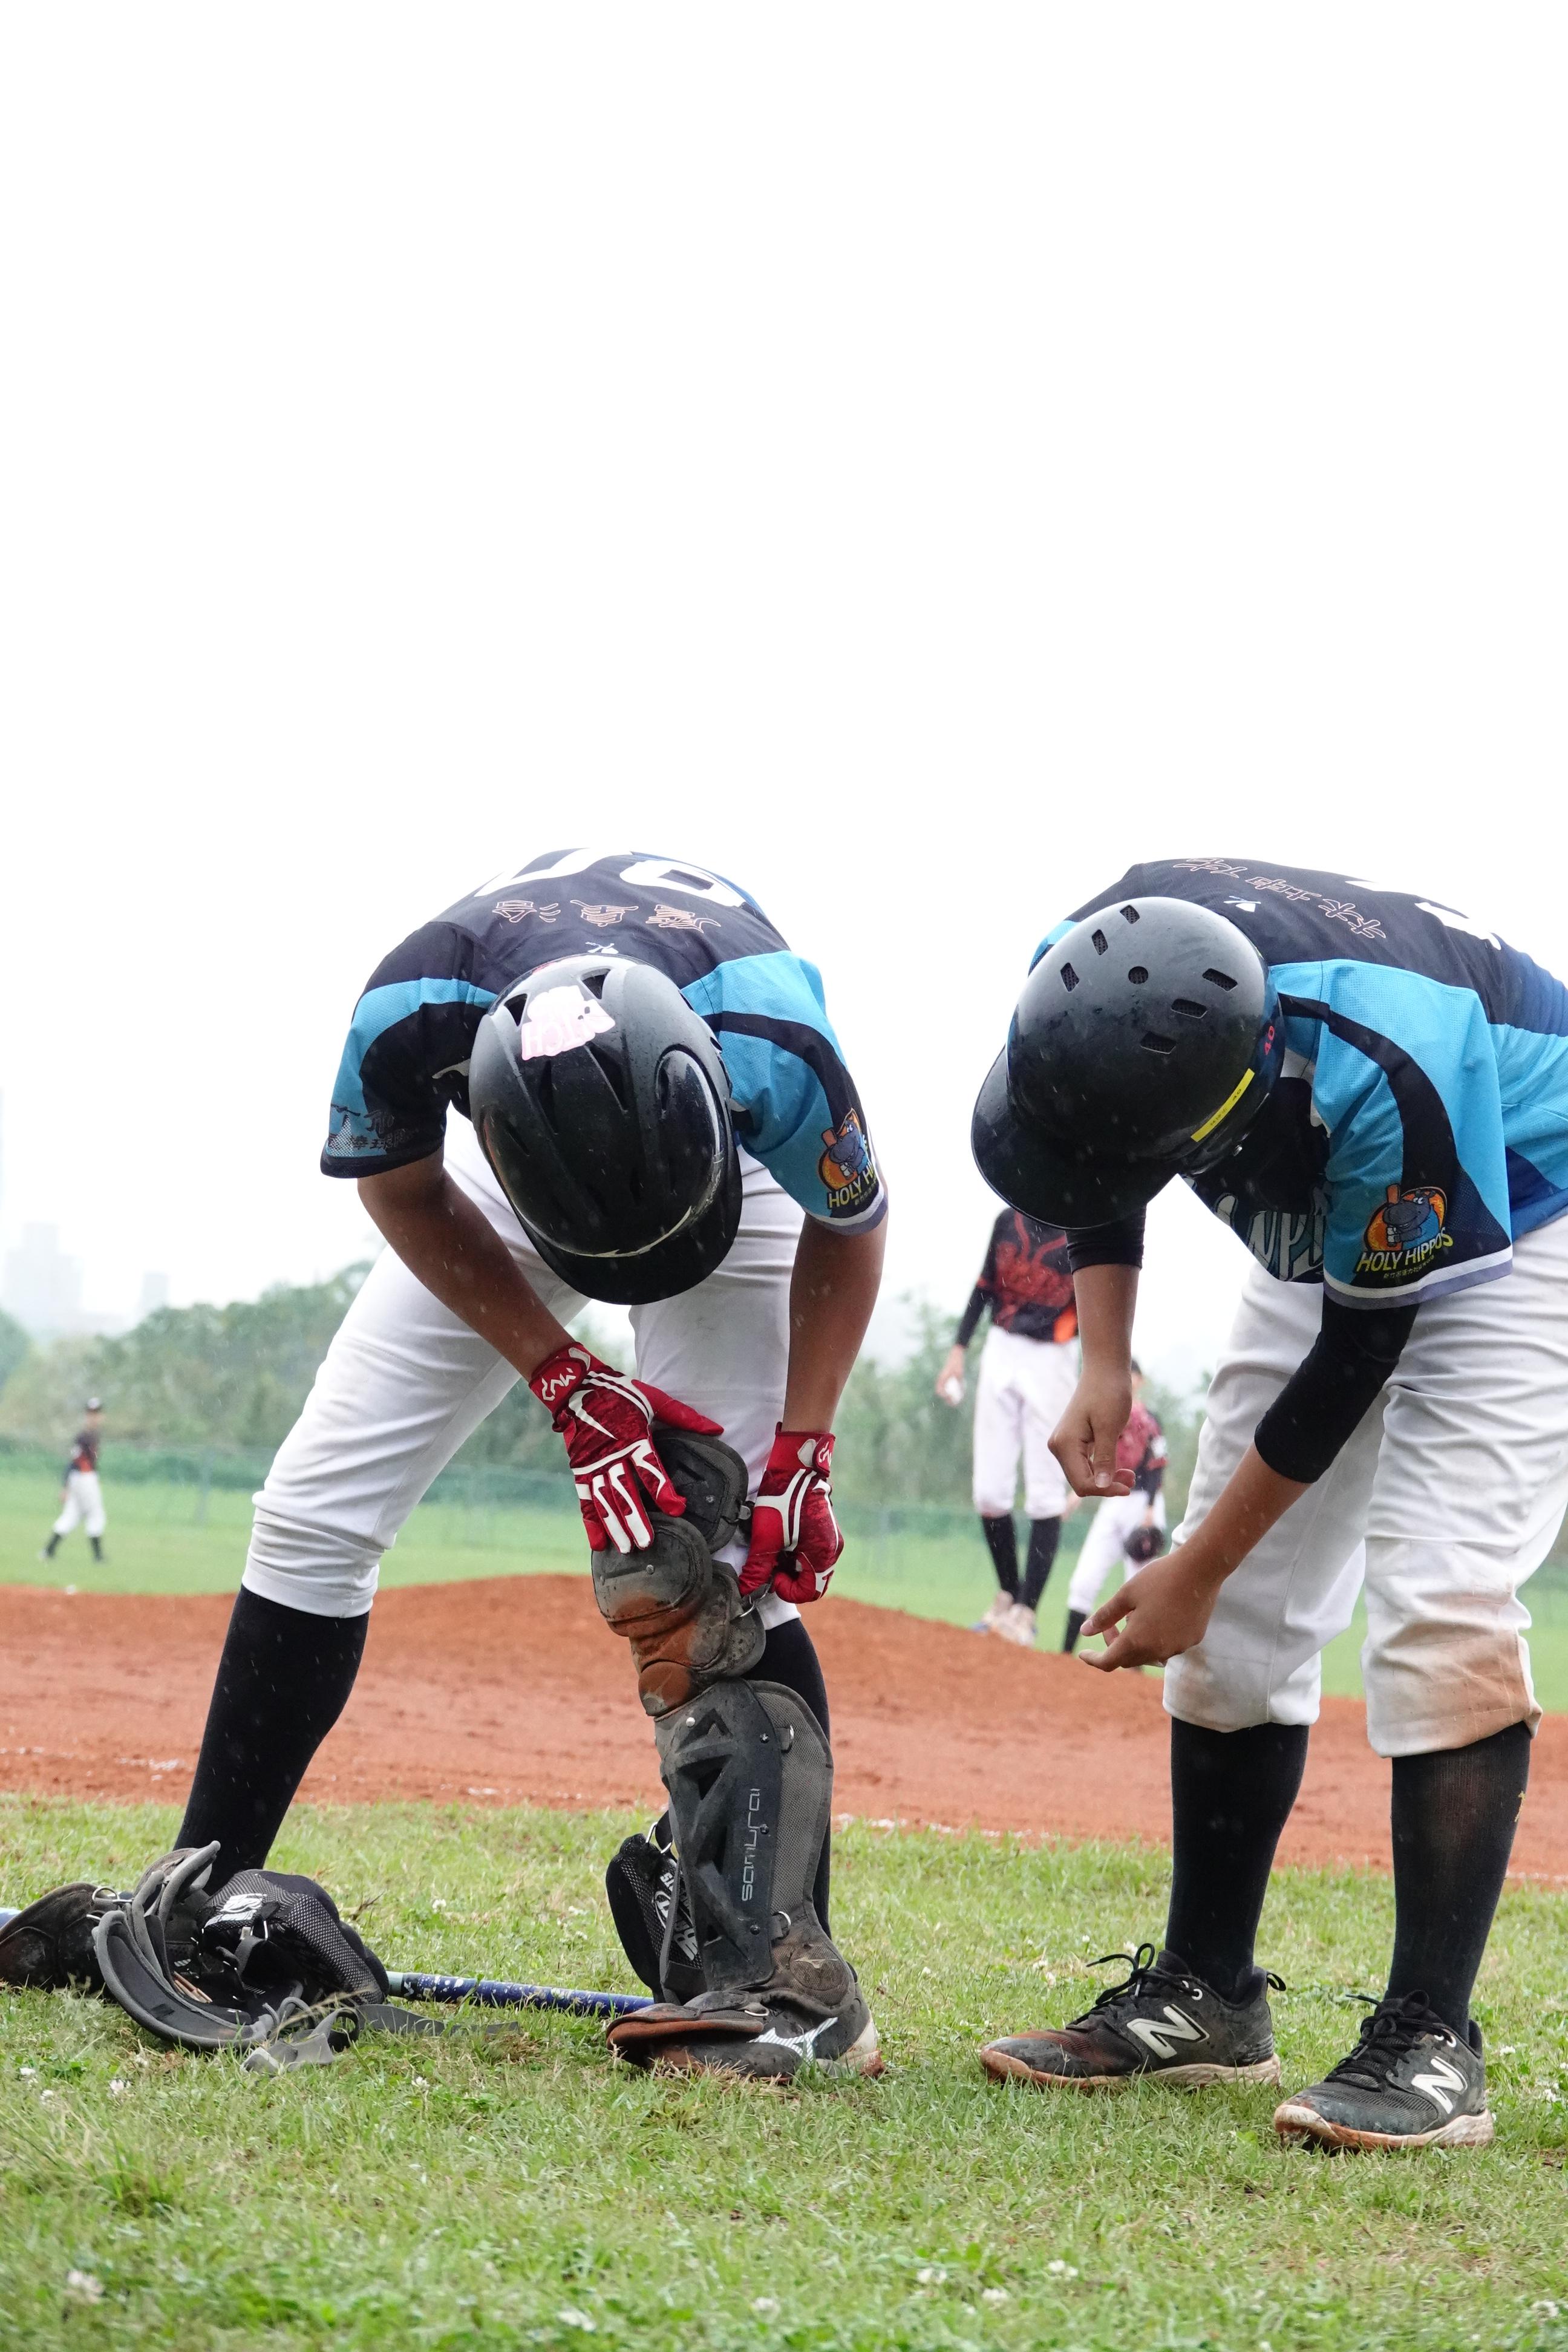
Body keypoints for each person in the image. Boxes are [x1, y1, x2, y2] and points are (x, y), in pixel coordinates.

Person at [171, 847, 888, 2080]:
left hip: (733, 1168)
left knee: (717, 1554)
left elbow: (850, 1221)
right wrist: (563, 1377)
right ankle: (204, 1899)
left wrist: (803, 1447)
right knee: (312, 1515)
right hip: (524, 1168)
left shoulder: (775, 1046)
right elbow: (405, 1189)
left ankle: (785, 1986)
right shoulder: (409, 1015)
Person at [970, 859, 1568, 2151]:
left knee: (1442, 1599)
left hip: (1533, 1197)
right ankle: (1207, 1993)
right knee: (1240, 1630)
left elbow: (1359, 1353)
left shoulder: (1385, 1070)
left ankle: (1431, 2040)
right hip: (1341, 1184)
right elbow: (1091, 1158)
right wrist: (1105, 1361)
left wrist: (1195, 1566)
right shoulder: (1091, 973)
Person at [936, 1208, 1078, 1645]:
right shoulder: (1008, 1219)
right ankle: (1009, 1595)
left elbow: (1099, 1308)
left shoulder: (1084, 1225)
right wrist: (958, 1349)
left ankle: (1026, 1613)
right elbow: (985, 1285)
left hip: (1053, 1357)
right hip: (1001, 1347)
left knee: (1045, 1491)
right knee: (989, 1492)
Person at [1060, 1362, 1166, 1653]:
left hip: (1143, 1502)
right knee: (1084, 1580)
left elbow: (1158, 1466)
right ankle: (1064, 1655)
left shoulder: (1151, 1420)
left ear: (1141, 1381)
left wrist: (1151, 1510)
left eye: (1133, 1374)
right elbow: (1094, 1462)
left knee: (1140, 1588)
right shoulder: (1105, 1418)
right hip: (1114, 1500)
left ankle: (1135, 1664)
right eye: (1124, 1374)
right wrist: (1076, 1497)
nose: (1128, 1379)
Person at [41, 1399, 106, 1564]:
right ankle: (98, 1557)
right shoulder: (84, 1437)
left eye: (97, 1413)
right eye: (92, 1414)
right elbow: (75, 1462)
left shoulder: (91, 1435)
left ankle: (48, 1551)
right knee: (96, 1514)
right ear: (87, 1415)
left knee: (71, 1515)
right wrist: (65, 1486)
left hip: (81, 1479)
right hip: (84, 1478)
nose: (95, 1417)